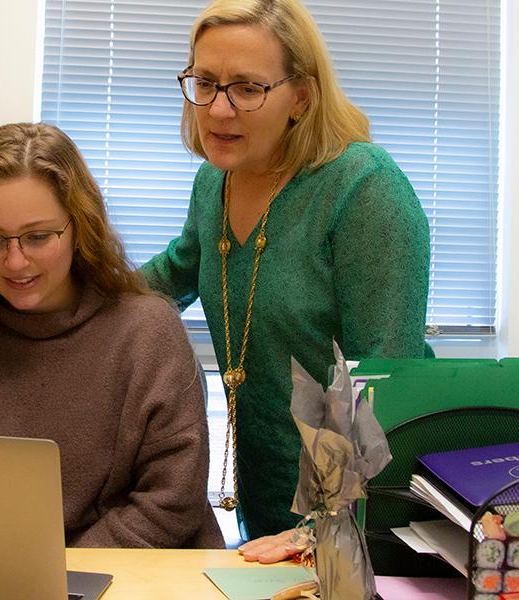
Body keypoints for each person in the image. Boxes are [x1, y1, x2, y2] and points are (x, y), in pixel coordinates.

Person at [141, 0, 430, 561]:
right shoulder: (214, 180)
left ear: (301, 95)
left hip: (366, 514)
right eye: (205, 82)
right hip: (264, 493)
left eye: (247, 88)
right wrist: (62, 292)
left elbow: (384, 379)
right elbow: (174, 271)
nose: (218, 111)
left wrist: (321, 525)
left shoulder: (366, 190)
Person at [0, 123, 224, 549]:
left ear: (80, 228)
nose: (16, 261)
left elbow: (171, 502)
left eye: (38, 237)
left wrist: (60, 578)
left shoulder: (147, 332)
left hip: (121, 575)